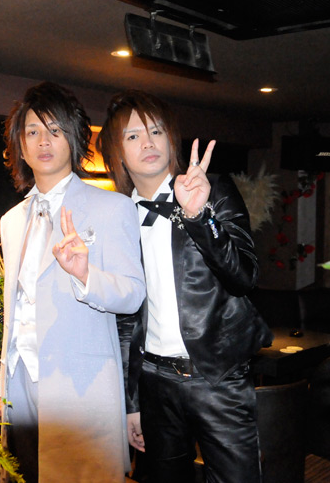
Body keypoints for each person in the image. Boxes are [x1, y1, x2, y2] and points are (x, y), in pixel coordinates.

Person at [97, 89, 273, 483]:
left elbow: (244, 276)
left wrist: (199, 218)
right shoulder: (116, 216)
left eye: (156, 131)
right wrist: (131, 402)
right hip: (154, 382)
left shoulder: (214, 189)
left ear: (171, 140)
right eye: (133, 136)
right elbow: (125, 321)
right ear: (117, 153)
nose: (148, 143)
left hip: (218, 378)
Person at [0, 81, 146, 483]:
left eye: (55, 130)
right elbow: (15, 314)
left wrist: (85, 275)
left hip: (81, 391)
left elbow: (133, 294)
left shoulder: (112, 208)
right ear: (20, 145)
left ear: (76, 138)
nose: (43, 141)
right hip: (20, 389)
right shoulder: (12, 221)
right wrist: (2, 392)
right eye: (32, 131)